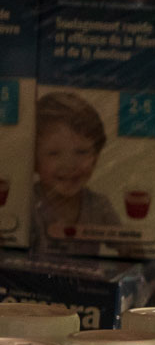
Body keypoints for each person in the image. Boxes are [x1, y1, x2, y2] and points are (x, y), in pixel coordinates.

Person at [31, 91, 120, 256]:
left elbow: (127, 245)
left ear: (95, 157)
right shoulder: (28, 204)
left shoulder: (99, 207)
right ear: (34, 161)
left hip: (88, 281)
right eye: (54, 153)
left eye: (81, 152)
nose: (70, 165)